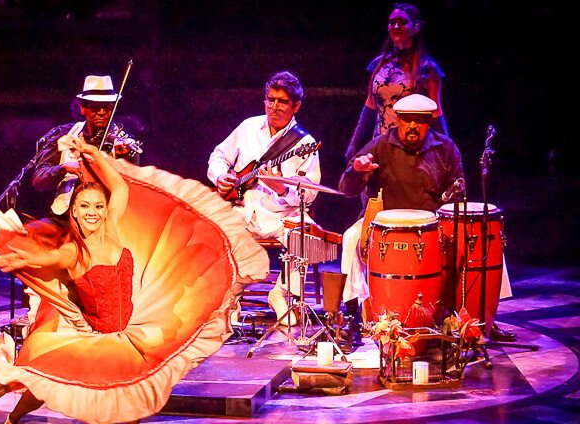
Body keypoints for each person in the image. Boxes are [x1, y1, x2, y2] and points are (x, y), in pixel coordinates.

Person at [0, 136, 268, 424]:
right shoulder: (72, 251)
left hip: (130, 325)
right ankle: (13, 420)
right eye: (85, 207)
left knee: (138, 381)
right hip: (93, 332)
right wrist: (10, 259)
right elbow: (39, 261)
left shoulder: (113, 227)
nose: (93, 213)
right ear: (73, 211)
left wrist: (93, 153)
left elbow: (119, 188)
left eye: (98, 207)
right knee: (43, 385)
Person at [338, 93, 515, 341]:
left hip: (434, 226)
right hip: (384, 225)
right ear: (398, 120)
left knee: (486, 236)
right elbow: (346, 189)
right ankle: (351, 312)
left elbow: (458, 195)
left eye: (419, 121)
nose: (412, 126)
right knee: (350, 237)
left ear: (428, 122)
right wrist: (356, 170)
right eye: (407, 120)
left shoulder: (445, 149)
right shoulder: (379, 146)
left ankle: (484, 317)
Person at [207, 71, 321, 325]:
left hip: (282, 215)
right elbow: (218, 155)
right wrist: (221, 176)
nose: (274, 107)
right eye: (270, 100)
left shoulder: (305, 143)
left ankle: (280, 293)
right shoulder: (248, 127)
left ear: (296, 106)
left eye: (282, 102)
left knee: (308, 236)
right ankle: (231, 296)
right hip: (244, 208)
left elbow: (310, 193)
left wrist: (281, 189)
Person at [344, 3, 447, 163]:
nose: (396, 26)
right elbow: (370, 106)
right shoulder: (379, 65)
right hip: (382, 147)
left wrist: (447, 149)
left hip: (412, 150)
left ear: (416, 27)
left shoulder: (427, 69)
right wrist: (354, 145)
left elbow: (435, 111)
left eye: (402, 22)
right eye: (392, 22)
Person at [31, 74, 141, 217]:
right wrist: (62, 169)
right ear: (83, 108)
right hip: (64, 217)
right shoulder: (64, 134)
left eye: (107, 107)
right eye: (95, 107)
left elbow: (131, 191)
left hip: (103, 218)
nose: (101, 112)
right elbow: (38, 181)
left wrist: (123, 161)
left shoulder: (123, 143)